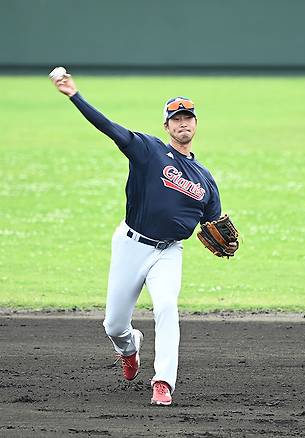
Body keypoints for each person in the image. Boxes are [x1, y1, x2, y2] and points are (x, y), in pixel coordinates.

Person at [51, 69, 232, 404]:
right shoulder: (147, 150)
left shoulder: (205, 179)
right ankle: (129, 349)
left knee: (166, 307)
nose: (183, 123)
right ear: (167, 126)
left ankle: (162, 382)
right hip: (130, 245)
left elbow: (213, 222)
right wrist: (74, 95)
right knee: (114, 325)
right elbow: (108, 127)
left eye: (188, 118)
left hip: (169, 253)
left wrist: (220, 237)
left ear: (196, 124)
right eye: (176, 118)